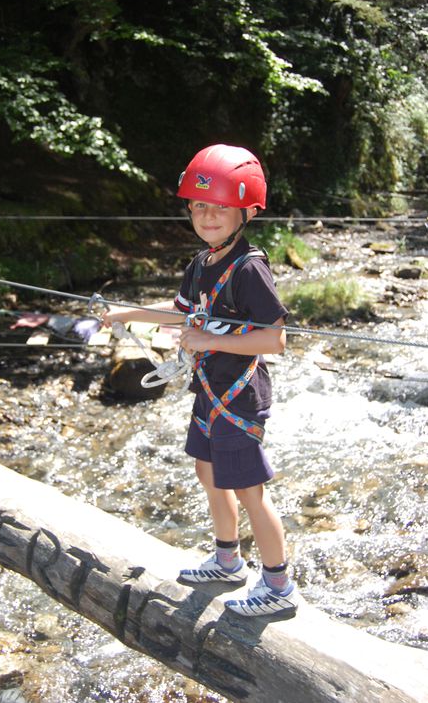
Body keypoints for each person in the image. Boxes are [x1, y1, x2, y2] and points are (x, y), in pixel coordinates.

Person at [103, 144, 298, 618]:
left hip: (239, 396)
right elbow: (180, 312)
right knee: (208, 474)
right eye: (200, 206)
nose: (208, 216)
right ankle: (228, 560)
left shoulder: (250, 268)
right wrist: (123, 312)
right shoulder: (201, 262)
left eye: (221, 207)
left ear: (246, 210)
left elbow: (275, 340)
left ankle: (278, 586)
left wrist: (210, 341)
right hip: (208, 391)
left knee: (250, 490)